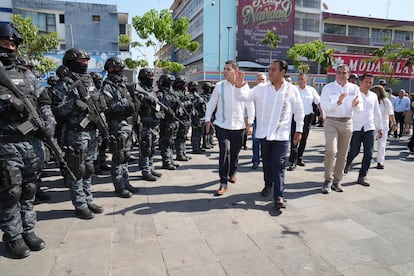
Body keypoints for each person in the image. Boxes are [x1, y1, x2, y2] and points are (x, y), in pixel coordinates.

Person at [0, 23, 52, 258]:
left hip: (31, 141)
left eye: (13, 44)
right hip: (7, 143)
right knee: (11, 192)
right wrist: (7, 101)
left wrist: (49, 123)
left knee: (30, 189)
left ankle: (28, 230)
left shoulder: (27, 73)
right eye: (4, 43)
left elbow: (44, 102)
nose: (9, 48)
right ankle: (13, 236)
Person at [236, 59, 304, 208]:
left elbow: (299, 111)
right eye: (270, 69)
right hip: (264, 134)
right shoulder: (261, 88)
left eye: (273, 70)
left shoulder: (292, 90)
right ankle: (268, 185)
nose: (270, 72)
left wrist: (299, 130)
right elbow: (244, 97)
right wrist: (239, 87)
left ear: (282, 72)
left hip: (282, 135)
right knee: (266, 162)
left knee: (279, 164)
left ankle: (279, 196)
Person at [57, 48, 104, 219]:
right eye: (82, 61)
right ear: (71, 61)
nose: (85, 63)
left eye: (86, 61)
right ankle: (80, 204)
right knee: (78, 169)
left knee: (89, 169)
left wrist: (99, 102)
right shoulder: (65, 83)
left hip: (92, 130)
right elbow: (58, 111)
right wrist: (74, 104)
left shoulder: (88, 79)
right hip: (76, 132)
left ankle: (88, 199)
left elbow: (96, 98)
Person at [204, 60, 254, 196]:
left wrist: (250, 123)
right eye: (224, 69)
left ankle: (233, 172)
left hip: (239, 126)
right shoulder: (219, 86)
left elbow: (250, 105)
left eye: (228, 69)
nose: (224, 71)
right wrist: (208, 119)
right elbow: (211, 104)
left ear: (235, 71)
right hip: (222, 125)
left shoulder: (244, 86)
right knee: (224, 152)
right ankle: (223, 182)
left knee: (235, 153)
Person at [320, 64, 361, 194]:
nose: (342, 75)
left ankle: (337, 181)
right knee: (331, 151)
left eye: (344, 73)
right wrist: (338, 102)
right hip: (331, 121)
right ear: (335, 74)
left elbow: (359, 108)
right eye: (339, 73)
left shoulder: (354, 88)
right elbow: (325, 107)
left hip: (347, 122)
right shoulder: (328, 88)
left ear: (348, 74)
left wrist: (355, 105)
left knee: (343, 154)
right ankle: (327, 180)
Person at [101, 57, 138, 198]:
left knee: (126, 156)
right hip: (115, 125)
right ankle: (119, 186)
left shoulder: (124, 85)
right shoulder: (107, 86)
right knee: (118, 157)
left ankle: (126, 182)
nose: (121, 71)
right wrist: (126, 103)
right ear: (110, 69)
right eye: (118, 68)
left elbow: (131, 101)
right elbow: (108, 106)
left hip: (126, 124)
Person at [343, 74, 383, 187]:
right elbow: (348, 108)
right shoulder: (354, 94)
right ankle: (348, 162)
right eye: (366, 82)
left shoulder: (374, 96)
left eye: (371, 82)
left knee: (369, 153)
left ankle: (362, 176)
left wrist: (379, 128)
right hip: (356, 127)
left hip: (369, 127)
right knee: (354, 150)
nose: (368, 84)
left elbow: (377, 112)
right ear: (361, 82)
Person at [287, 73, 321, 171]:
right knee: (294, 137)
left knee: (304, 138)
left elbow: (318, 102)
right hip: (295, 117)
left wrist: (322, 113)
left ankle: (299, 158)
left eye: (302, 79)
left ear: (306, 80)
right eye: (299, 79)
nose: (300, 81)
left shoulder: (311, 90)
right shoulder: (293, 90)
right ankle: (293, 160)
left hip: (307, 117)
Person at [136, 68, 163, 181]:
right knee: (145, 148)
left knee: (152, 148)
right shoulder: (138, 90)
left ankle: (151, 167)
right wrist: (144, 99)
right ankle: (145, 170)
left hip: (154, 124)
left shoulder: (152, 91)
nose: (151, 79)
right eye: (149, 78)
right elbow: (136, 105)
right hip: (144, 124)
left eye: (152, 78)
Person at [157, 74, 180, 170]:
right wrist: (166, 110)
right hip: (165, 122)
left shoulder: (172, 93)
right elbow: (157, 108)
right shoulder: (160, 94)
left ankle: (170, 160)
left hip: (173, 121)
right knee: (166, 142)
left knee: (171, 142)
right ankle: (166, 162)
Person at [371, 85, 397, 169]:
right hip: (372, 125)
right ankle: (368, 158)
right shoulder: (372, 100)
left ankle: (380, 161)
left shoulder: (386, 101)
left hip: (383, 125)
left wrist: (394, 123)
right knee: (369, 144)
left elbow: (391, 114)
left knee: (381, 144)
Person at [90, 72, 110, 174]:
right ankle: (96, 166)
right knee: (96, 146)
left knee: (103, 144)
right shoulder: (90, 92)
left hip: (103, 121)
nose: (99, 82)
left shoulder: (101, 92)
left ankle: (102, 163)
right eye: (96, 81)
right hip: (94, 121)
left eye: (99, 81)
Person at [172, 76, 193, 161]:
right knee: (180, 138)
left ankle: (183, 153)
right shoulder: (175, 93)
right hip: (180, 118)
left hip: (186, 117)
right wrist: (187, 103)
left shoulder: (184, 93)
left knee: (183, 137)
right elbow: (177, 104)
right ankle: (180, 154)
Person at [251, 73, 267, 169]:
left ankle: (265, 159)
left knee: (266, 142)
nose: (261, 81)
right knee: (255, 141)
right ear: (256, 81)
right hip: (256, 119)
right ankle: (255, 160)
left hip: (266, 120)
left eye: (263, 79)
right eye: (259, 79)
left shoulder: (270, 91)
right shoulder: (253, 91)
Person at [188, 81, 206, 154]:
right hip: (194, 116)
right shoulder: (189, 96)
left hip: (200, 116)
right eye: (195, 86)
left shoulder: (197, 95)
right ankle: (195, 148)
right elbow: (191, 105)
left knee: (199, 133)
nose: (196, 87)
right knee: (195, 134)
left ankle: (198, 146)